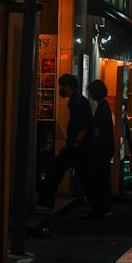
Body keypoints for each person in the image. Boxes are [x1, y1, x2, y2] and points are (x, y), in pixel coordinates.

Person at [38, 74, 94, 208]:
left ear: (67, 87)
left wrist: (75, 143)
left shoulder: (77, 102)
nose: (60, 89)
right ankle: (98, 206)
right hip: (79, 147)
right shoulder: (79, 101)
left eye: (61, 86)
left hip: (77, 147)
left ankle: (47, 199)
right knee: (83, 176)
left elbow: (84, 126)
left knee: (55, 168)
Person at [85, 80, 114, 218]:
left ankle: (99, 208)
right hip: (107, 146)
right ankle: (105, 207)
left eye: (90, 91)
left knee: (98, 178)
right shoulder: (104, 106)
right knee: (103, 178)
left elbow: (97, 130)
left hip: (101, 148)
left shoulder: (101, 108)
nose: (89, 93)